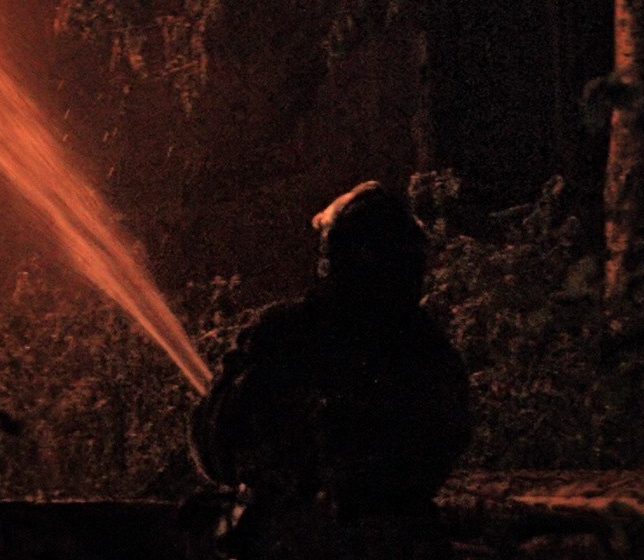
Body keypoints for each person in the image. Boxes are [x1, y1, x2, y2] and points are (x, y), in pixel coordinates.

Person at [192, 177, 475, 520]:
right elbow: (445, 445)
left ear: (333, 257)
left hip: (288, 553)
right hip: (396, 554)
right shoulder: (428, 349)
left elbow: (215, 445)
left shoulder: (284, 333)